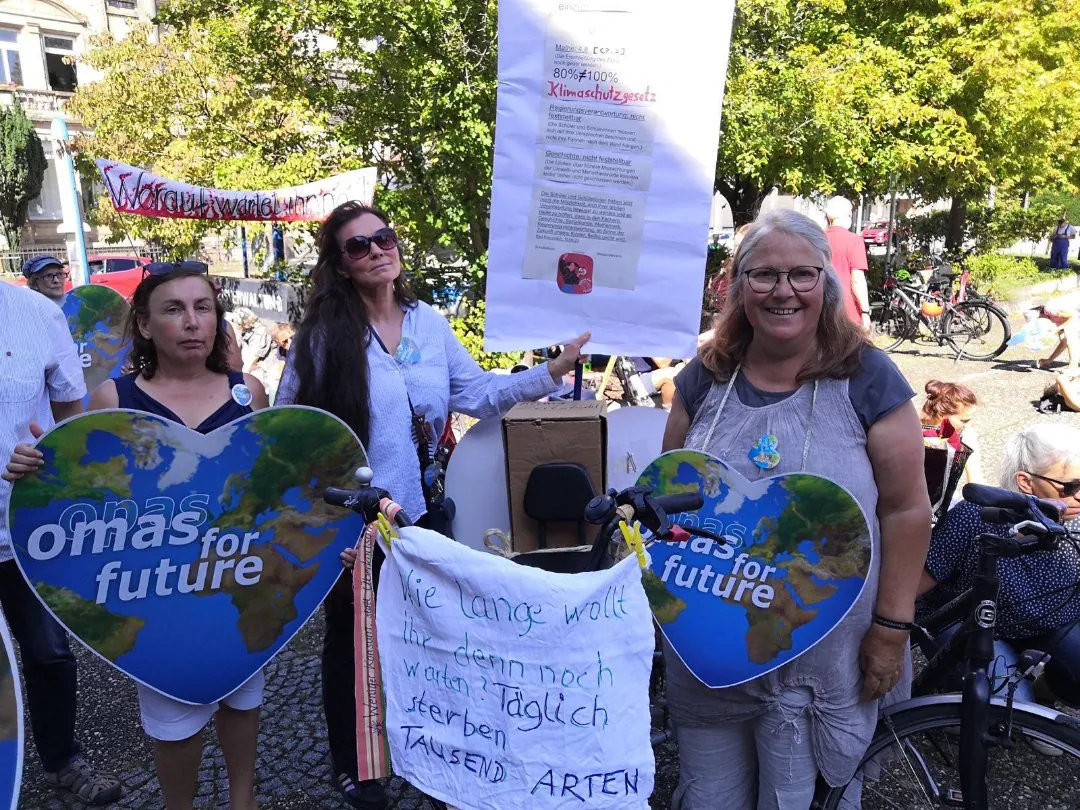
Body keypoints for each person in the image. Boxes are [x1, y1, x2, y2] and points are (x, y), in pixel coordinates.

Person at [275, 201, 588, 808]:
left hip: (419, 513)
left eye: (383, 237)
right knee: (352, 640)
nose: (376, 250)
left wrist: (551, 372)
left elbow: (477, 393)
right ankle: (357, 763)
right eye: (358, 246)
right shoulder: (321, 338)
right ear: (339, 266)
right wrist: (309, 514)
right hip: (351, 518)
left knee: (424, 633)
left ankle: (424, 746)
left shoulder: (426, 323)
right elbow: (292, 427)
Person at [663, 209, 931, 808]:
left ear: (826, 284)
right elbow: (669, 504)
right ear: (738, 287)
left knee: (796, 797)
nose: (783, 292)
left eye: (803, 275)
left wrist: (891, 629)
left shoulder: (868, 380)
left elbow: (908, 510)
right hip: (710, 648)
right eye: (763, 276)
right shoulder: (704, 379)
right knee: (709, 795)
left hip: (823, 654)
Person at [6, 266, 269, 809]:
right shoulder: (113, 397)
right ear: (145, 326)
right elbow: (89, 499)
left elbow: (266, 495)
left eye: (203, 307)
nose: (192, 322)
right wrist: (39, 470)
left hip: (234, 580)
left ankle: (244, 800)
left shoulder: (250, 394)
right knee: (175, 719)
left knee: (243, 698)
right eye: (173, 309)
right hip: (156, 589)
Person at [0, 282, 122, 804]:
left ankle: (62, 760)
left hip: (25, 531)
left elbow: (71, 424)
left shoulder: (36, 314)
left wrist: (51, 460)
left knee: (49, 653)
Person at [918, 423, 1080, 706]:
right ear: (1025, 482)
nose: (1079, 495)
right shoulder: (975, 516)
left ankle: (1044, 688)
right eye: (1072, 486)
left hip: (1044, 624)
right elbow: (913, 586)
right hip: (971, 626)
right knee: (1009, 709)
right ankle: (956, 696)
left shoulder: (1075, 520)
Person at [918, 379, 985, 497]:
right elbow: (976, 483)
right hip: (939, 503)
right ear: (941, 415)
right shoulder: (964, 437)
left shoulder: (910, 427)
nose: (967, 426)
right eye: (964, 420)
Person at [823, 196, 872, 330]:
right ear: (848, 215)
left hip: (821, 307)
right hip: (846, 311)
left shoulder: (818, 238)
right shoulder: (854, 241)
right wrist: (865, 312)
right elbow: (857, 280)